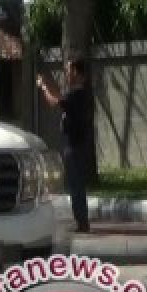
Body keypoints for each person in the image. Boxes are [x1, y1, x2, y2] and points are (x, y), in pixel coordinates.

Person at [37, 57, 94, 233]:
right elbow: (61, 99)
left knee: (76, 184)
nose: (67, 74)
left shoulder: (78, 94)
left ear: (76, 72)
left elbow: (54, 101)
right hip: (77, 143)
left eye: (69, 71)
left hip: (75, 145)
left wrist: (43, 87)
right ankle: (80, 219)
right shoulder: (81, 94)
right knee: (76, 183)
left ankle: (82, 222)